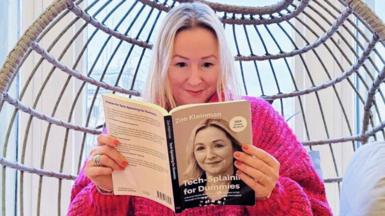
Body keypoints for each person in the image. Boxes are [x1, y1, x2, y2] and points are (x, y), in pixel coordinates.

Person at [68, 2, 332, 215]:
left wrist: (272, 195)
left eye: (207, 65)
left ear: (223, 64)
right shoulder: (129, 124)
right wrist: (104, 191)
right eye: (181, 64)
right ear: (162, 65)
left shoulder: (258, 117)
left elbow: (319, 210)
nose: (195, 80)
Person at [180, 118, 255, 208]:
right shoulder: (183, 192)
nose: (210, 155)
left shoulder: (252, 189)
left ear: (234, 148)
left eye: (218, 145)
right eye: (201, 148)